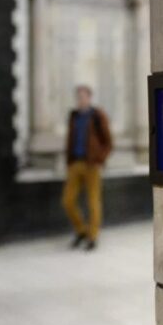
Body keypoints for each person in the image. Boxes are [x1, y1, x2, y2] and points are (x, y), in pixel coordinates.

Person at [62, 85, 112, 251]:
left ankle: (93, 236)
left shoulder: (97, 115)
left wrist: (100, 160)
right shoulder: (74, 116)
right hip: (75, 163)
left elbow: (108, 142)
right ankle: (81, 230)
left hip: (92, 165)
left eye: (83, 96)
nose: (81, 99)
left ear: (89, 98)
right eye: (78, 97)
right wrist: (69, 161)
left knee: (93, 202)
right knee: (68, 201)